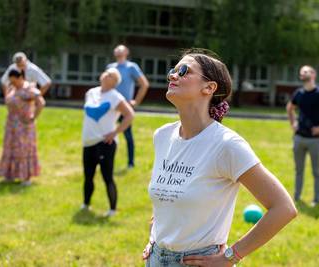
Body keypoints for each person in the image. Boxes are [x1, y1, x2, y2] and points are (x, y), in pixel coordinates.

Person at [142, 49, 297, 267]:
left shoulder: (226, 145)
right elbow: (165, 198)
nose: (173, 76)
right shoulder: (163, 136)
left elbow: (283, 208)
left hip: (199, 262)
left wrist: (231, 256)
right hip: (155, 259)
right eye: (172, 71)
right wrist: (154, 237)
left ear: (209, 87)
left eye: (184, 71)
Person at [81, 68, 134, 217]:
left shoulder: (115, 97)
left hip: (105, 143)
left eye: (110, 75)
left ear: (115, 82)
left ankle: (112, 209)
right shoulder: (91, 92)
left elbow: (130, 115)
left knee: (107, 177)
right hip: (88, 142)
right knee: (88, 175)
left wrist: (115, 132)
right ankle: (85, 204)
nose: (105, 74)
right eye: (105, 72)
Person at [286, 65, 319, 206]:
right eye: (302, 72)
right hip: (299, 137)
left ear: (313, 74)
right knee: (298, 170)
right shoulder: (299, 93)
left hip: (315, 140)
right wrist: (293, 123)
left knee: (316, 171)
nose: (304, 73)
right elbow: (289, 108)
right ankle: (296, 197)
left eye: (306, 71)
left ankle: (316, 199)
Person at [0, 69, 45, 186]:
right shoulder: (12, 88)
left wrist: (33, 116)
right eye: (11, 82)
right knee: (10, 149)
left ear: (20, 78)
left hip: (24, 126)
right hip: (11, 125)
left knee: (23, 150)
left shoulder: (28, 89)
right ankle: (10, 175)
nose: (12, 83)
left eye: (14, 81)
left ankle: (26, 177)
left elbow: (41, 102)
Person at [106, 45, 149, 169]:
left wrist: (136, 101)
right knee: (108, 133)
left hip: (124, 108)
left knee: (128, 135)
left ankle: (130, 163)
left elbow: (144, 84)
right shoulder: (110, 68)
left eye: (121, 49)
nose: (118, 51)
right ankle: (106, 161)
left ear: (126, 52)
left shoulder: (131, 67)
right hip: (111, 107)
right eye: (117, 49)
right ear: (114, 52)